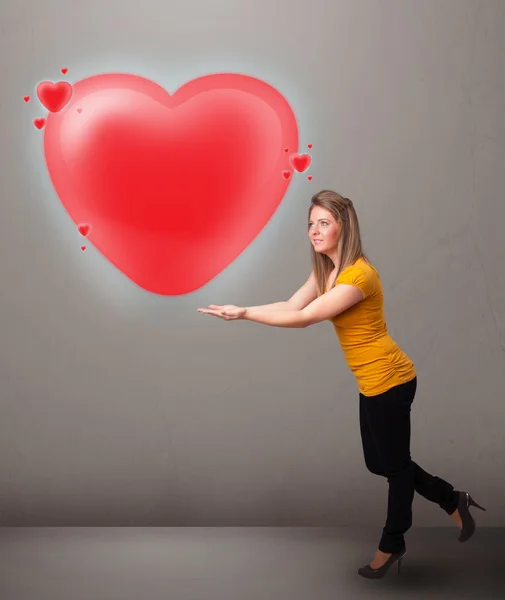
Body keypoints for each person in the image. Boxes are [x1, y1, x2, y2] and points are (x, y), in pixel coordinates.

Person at [197, 189, 486, 579]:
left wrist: (247, 314)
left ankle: (392, 543)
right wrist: (241, 310)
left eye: (324, 223)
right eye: (311, 224)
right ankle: (454, 499)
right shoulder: (327, 272)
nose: (314, 231)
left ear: (343, 227)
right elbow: (291, 305)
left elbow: (304, 319)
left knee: (396, 469)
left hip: (390, 378)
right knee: (378, 462)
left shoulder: (358, 275)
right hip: (370, 381)